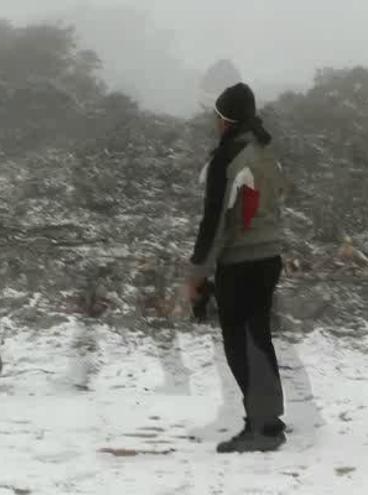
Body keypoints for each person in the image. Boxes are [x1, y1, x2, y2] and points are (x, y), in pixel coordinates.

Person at [185, 83, 288, 453]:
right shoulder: (264, 150)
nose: (214, 122)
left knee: (241, 345)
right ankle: (267, 421)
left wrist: (197, 274)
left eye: (216, 115)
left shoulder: (227, 158)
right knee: (258, 339)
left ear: (225, 119)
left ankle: (262, 428)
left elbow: (213, 223)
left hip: (241, 263)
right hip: (269, 259)